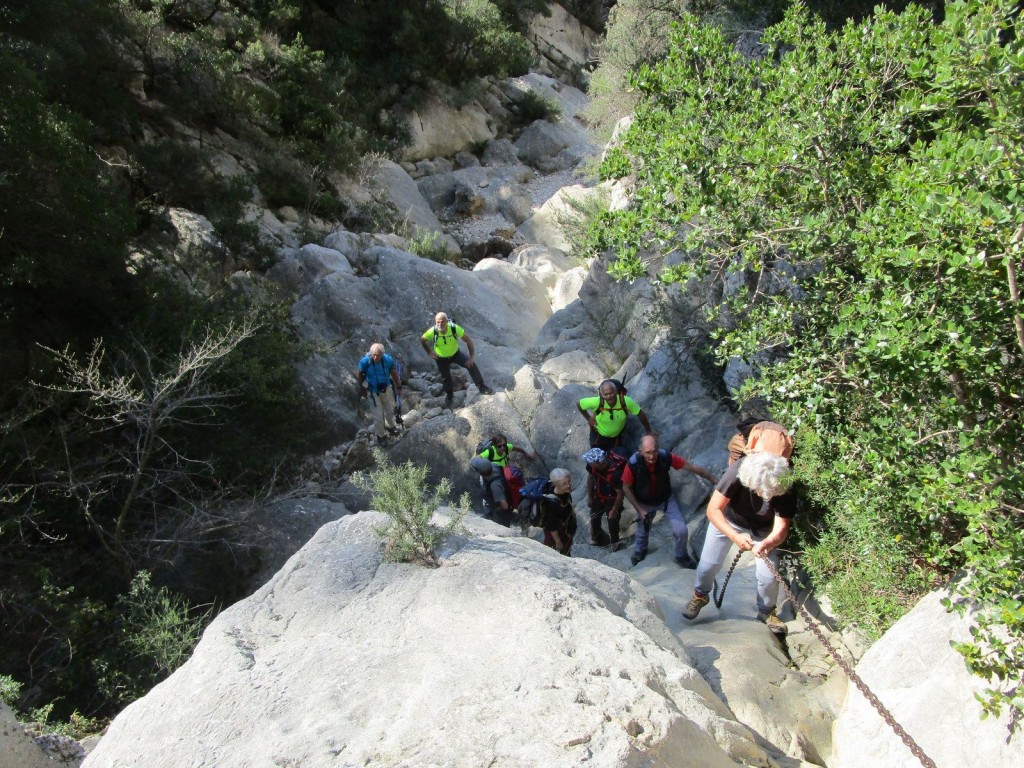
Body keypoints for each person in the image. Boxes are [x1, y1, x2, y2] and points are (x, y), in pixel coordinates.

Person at [682, 451, 795, 635]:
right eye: (760, 491)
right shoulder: (737, 471)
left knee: (768, 578)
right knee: (707, 567)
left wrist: (768, 543)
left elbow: (782, 527)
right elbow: (713, 510)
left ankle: (767, 612)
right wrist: (735, 536)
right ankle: (700, 595)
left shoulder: (783, 481)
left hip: (765, 530)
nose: (764, 496)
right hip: (730, 520)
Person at [622, 435, 718, 568]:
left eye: (655, 451)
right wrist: (640, 509)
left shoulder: (665, 457)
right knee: (643, 528)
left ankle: (681, 555)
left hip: (665, 499)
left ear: (658, 448)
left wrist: (715, 479)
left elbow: (691, 467)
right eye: (648, 453)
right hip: (644, 502)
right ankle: (640, 550)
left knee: (681, 531)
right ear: (641, 452)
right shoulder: (633, 464)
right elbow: (625, 487)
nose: (652, 456)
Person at [421, 312, 494, 409]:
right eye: (438, 322)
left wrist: (471, 358)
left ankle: (481, 386)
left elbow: (468, 340)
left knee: (471, 365)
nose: (440, 325)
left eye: (442, 322)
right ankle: (450, 395)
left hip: (455, 354)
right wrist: (430, 352)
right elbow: (423, 339)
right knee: (445, 377)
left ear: (447, 322)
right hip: (441, 358)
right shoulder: (433, 331)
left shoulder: (454, 328)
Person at [577, 379, 654, 450]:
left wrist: (649, 431)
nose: (608, 396)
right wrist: (589, 418)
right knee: (597, 461)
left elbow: (640, 414)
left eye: (611, 393)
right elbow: (579, 404)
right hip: (598, 437)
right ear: (601, 394)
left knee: (615, 460)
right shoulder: (597, 402)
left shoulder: (625, 401)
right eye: (605, 394)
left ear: (616, 391)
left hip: (616, 438)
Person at [582, 447, 627, 548]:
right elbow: (590, 478)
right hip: (598, 497)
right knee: (594, 518)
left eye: (590, 462)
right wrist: (590, 497)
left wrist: (614, 509)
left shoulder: (615, 473)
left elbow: (620, 493)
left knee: (613, 523)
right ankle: (598, 539)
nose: (588, 464)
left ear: (598, 463)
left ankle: (615, 544)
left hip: (612, 500)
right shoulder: (593, 466)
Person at [356, 343, 402, 441]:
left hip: (387, 388)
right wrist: (362, 388)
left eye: (378, 355)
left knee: (390, 410)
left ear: (382, 354)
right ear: (371, 353)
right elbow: (359, 373)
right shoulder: (365, 361)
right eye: (374, 354)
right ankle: (381, 436)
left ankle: (391, 427)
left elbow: (394, 372)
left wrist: (399, 386)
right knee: (378, 415)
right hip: (372, 392)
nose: (376, 357)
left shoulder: (388, 360)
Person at [537, 468, 577, 556]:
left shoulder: (566, 492)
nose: (568, 485)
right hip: (553, 534)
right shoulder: (551, 502)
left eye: (569, 481)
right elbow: (550, 524)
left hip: (565, 528)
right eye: (564, 483)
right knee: (550, 555)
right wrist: (558, 541)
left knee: (566, 552)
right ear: (556, 485)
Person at [470, 456, 513, 527]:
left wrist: (496, 510)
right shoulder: (493, 465)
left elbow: (505, 506)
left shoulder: (495, 485)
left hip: (501, 516)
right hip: (491, 503)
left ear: (481, 473)